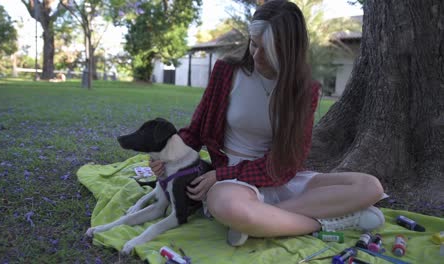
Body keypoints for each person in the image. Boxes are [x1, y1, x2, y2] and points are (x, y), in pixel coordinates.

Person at [150, 0, 385, 246]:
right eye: (254, 44)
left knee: (370, 187)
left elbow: (288, 164)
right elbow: (196, 130)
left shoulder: (305, 91)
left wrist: (224, 176)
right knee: (229, 206)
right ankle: (323, 222)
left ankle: (263, 220)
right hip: (231, 183)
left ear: (289, 49)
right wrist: (169, 154)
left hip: (276, 174)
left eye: (268, 49)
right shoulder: (226, 71)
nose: (257, 55)